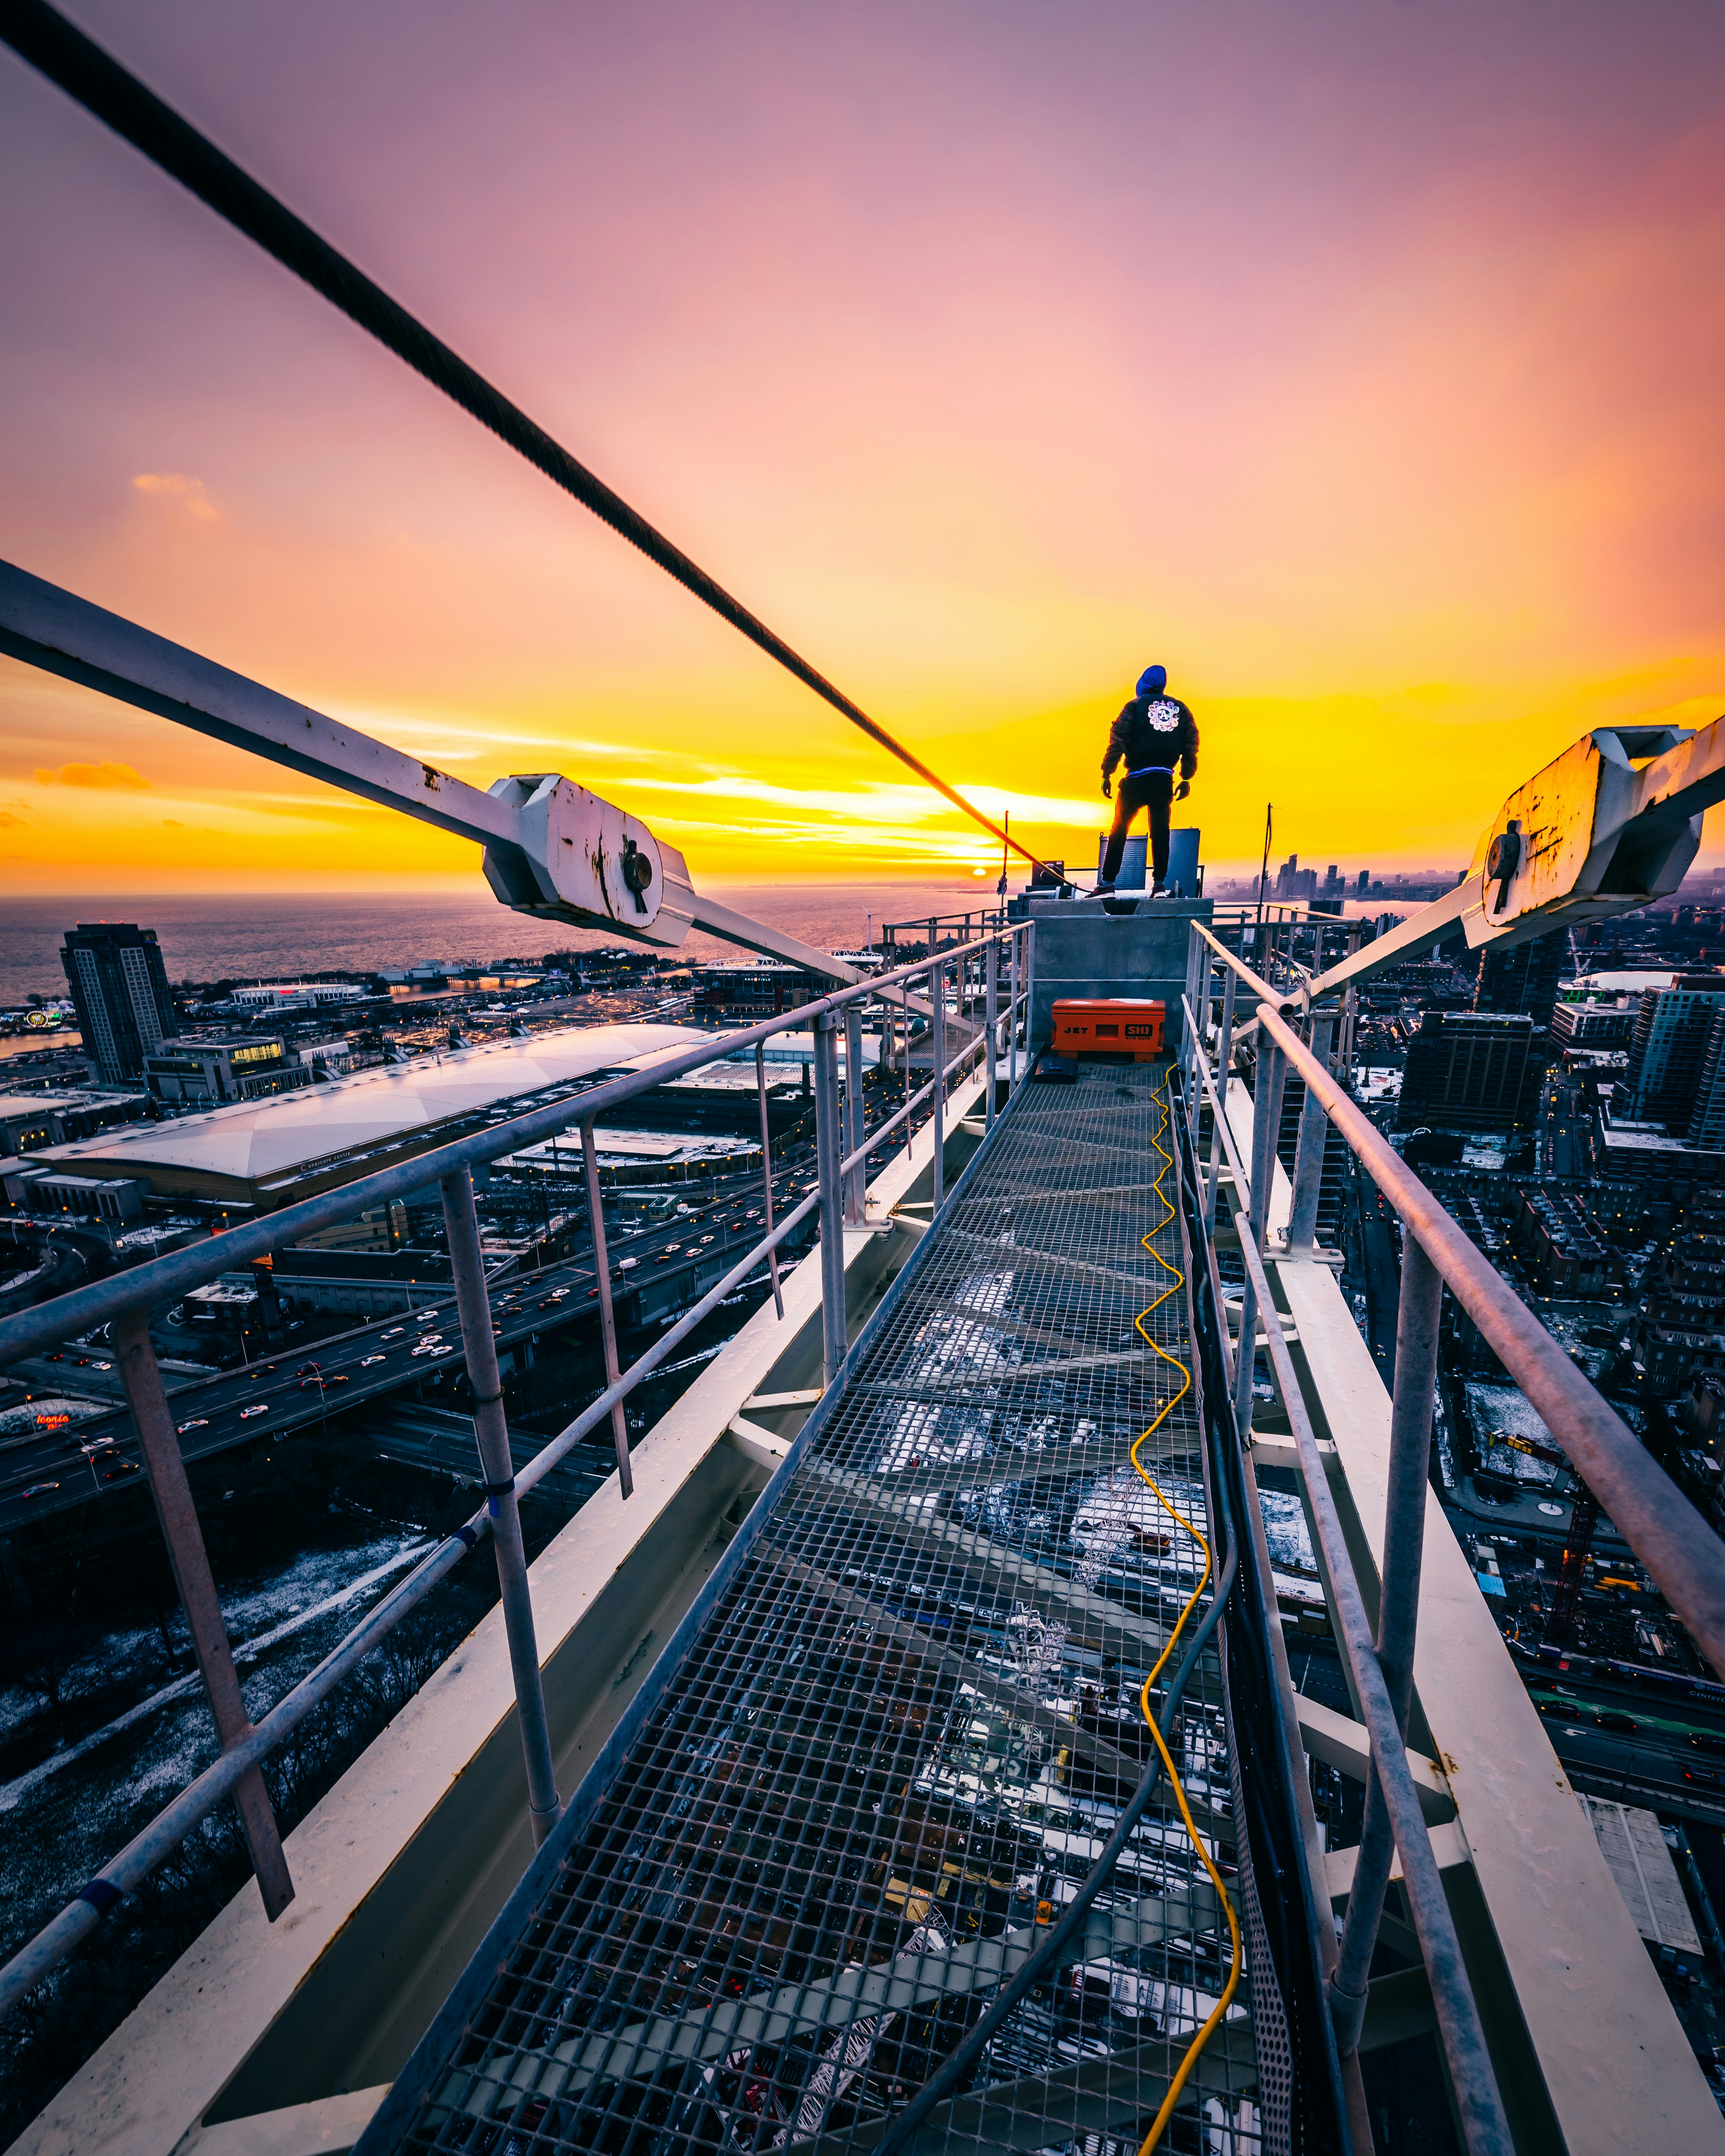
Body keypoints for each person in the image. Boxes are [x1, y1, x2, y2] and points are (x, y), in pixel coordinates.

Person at [1097, 664, 1199, 895]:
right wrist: (1186, 778)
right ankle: (1160, 885)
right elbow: (1191, 745)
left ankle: (1107, 884)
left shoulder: (1134, 706)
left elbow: (1118, 741)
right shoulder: (1182, 710)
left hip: (1136, 780)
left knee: (1119, 830)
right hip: (1164, 780)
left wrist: (1107, 773)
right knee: (1161, 833)